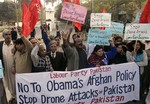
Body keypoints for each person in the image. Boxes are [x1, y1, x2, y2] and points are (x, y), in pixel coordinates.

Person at [0, 29, 15, 103]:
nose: (8, 36)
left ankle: (16, 97)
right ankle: (9, 99)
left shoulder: (15, 44)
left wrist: (14, 66)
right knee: (6, 85)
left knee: (14, 84)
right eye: (6, 35)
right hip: (4, 70)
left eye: (9, 34)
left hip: (14, 70)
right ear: (3, 36)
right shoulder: (0, 44)